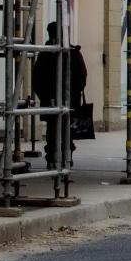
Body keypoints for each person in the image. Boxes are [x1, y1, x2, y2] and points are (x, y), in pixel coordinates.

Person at [32, 20, 88, 170]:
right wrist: (74, 93)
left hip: (52, 99)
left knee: (53, 131)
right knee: (66, 130)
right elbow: (82, 76)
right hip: (67, 100)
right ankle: (65, 158)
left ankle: (53, 158)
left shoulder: (46, 53)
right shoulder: (73, 52)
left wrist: (44, 96)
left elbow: (37, 78)